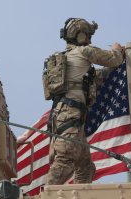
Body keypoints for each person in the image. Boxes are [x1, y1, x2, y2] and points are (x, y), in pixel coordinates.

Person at [46, 18, 125, 185]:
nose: (89, 39)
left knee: (85, 167)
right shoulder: (84, 51)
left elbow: (90, 80)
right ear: (81, 36)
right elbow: (114, 59)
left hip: (66, 114)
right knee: (65, 160)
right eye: (88, 35)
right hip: (71, 114)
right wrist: (117, 50)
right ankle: (47, 194)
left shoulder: (66, 58)